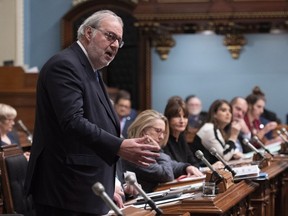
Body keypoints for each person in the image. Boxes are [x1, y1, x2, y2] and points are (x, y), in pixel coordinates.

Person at [24, 10, 160, 216]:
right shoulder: (65, 65)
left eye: (119, 41)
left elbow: (104, 127)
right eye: (110, 36)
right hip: (66, 191)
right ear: (88, 33)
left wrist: (113, 180)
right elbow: (72, 121)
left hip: (87, 189)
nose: (115, 45)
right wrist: (119, 146)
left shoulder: (92, 72)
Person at [122, 109, 204, 192]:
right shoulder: (135, 152)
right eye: (158, 131)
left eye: (163, 132)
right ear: (143, 131)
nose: (161, 137)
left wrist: (186, 167)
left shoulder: (147, 149)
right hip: (141, 202)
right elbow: (166, 175)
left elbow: (172, 165)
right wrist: (158, 150)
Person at [190, 99, 242, 165]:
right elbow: (224, 158)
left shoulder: (219, 129)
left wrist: (233, 155)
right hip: (200, 170)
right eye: (223, 110)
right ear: (214, 114)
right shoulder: (209, 129)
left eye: (230, 111)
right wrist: (233, 136)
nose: (228, 113)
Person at [163, 96, 200, 166]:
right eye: (177, 116)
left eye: (185, 117)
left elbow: (193, 163)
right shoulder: (163, 139)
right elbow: (171, 166)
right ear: (168, 118)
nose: (182, 121)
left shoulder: (181, 136)